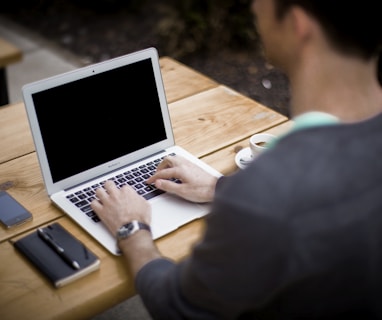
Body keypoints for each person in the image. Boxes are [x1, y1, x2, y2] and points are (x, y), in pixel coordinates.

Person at [91, 0, 382, 318]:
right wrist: (220, 187)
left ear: (299, 24)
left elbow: (177, 308)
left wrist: (132, 229)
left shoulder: (270, 191)